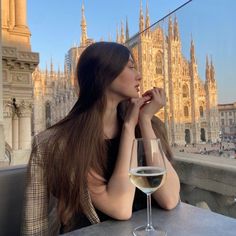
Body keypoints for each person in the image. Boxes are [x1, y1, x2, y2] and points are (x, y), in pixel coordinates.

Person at [22, 42, 180, 235]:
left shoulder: (149, 125)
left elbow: (170, 198)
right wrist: (130, 126)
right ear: (104, 75)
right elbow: (120, 207)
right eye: (131, 67)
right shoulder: (63, 143)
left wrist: (144, 120)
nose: (139, 75)